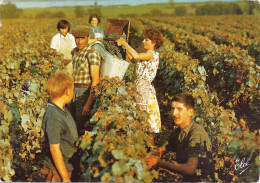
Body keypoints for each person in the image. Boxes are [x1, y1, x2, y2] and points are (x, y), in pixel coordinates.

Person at [144, 93, 213, 182]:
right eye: (172, 109)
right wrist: (146, 157)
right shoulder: (177, 132)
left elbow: (190, 169)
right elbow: (163, 149)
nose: (174, 113)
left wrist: (158, 162)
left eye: (179, 109)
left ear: (190, 112)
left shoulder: (196, 133)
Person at [116, 27, 163, 134]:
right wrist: (125, 47)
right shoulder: (146, 55)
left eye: (146, 39)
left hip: (145, 90)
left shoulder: (151, 54)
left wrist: (124, 44)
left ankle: (151, 148)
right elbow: (133, 59)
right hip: (138, 88)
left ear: (154, 42)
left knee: (147, 122)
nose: (143, 41)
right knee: (140, 119)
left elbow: (136, 56)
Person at [41, 70, 78, 182]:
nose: (73, 92)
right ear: (67, 91)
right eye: (73, 90)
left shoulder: (62, 110)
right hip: (56, 172)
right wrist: (65, 177)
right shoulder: (54, 116)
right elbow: (54, 148)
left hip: (65, 167)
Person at [70, 25, 101, 134]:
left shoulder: (92, 53)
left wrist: (88, 103)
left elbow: (96, 80)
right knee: (72, 124)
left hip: (84, 92)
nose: (79, 41)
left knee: (81, 125)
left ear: (88, 37)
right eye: (77, 38)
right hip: (73, 90)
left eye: (82, 38)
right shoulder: (75, 52)